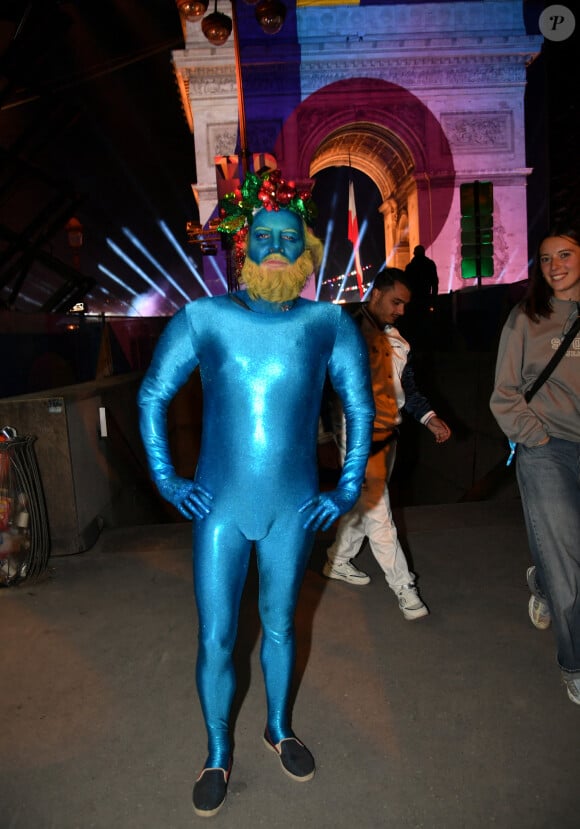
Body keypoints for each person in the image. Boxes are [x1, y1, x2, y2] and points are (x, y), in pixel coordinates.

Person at [137, 169, 374, 817]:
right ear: (242, 248)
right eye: (261, 236)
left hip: (292, 509)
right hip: (218, 506)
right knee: (216, 635)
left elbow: (359, 400)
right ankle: (216, 749)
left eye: (285, 238)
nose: (272, 246)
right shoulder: (204, 317)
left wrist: (347, 484)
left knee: (279, 624)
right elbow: (154, 391)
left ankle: (277, 725)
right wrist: (166, 476)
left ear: (304, 252)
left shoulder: (327, 321)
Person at [323, 267, 451, 619]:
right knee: (380, 512)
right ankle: (404, 588)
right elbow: (322, 383)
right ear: (376, 293)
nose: (401, 310)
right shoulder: (344, 330)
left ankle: (338, 560)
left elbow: (406, 389)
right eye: (396, 302)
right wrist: (329, 433)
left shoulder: (397, 339)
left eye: (405, 304)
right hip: (358, 437)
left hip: (388, 436)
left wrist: (429, 418)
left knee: (366, 503)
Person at [490, 219, 580, 706]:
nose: (555, 266)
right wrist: (536, 437)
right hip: (548, 448)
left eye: (564, 254)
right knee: (567, 559)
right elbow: (503, 393)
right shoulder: (526, 317)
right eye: (546, 259)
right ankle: (576, 661)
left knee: (563, 556)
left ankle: (541, 578)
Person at [405, 244, 439, 313]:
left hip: (413, 300)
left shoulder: (410, 267)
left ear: (414, 253)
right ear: (424, 252)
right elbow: (435, 283)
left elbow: (406, 284)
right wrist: (434, 299)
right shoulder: (430, 264)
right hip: (426, 298)